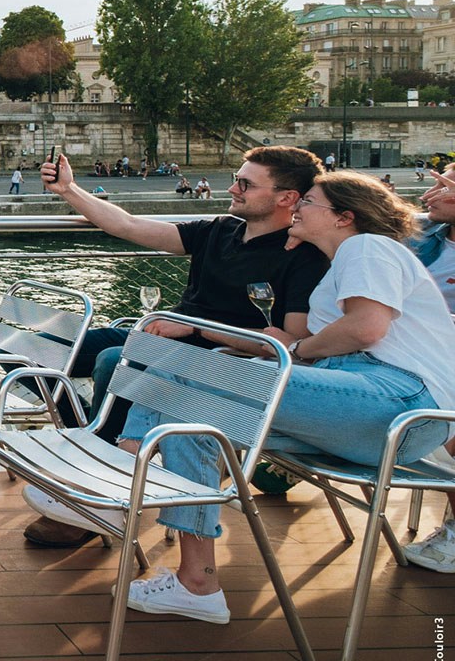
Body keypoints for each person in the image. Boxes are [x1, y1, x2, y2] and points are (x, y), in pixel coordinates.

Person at [109, 172, 455, 624]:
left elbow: (365, 328)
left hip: (398, 404)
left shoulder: (368, 247)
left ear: (344, 217)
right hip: (361, 411)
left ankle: (118, 484)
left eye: (308, 202)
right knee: (195, 425)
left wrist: (292, 350)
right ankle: (197, 584)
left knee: (185, 373)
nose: (297, 209)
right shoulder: (345, 259)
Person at [22, 147, 329, 548]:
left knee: (115, 361)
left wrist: (196, 329)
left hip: (220, 362)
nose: (232, 187)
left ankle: (95, 497)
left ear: (287, 197)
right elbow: (129, 226)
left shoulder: (303, 257)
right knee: (32, 350)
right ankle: (90, 439)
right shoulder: (220, 229)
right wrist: (69, 190)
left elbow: (293, 345)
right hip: (164, 340)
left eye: (246, 183)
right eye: (238, 178)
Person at [399, 163, 455, 572]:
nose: (427, 196)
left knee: (446, 416)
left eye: (443, 187)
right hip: (422, 352)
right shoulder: (424, 237)